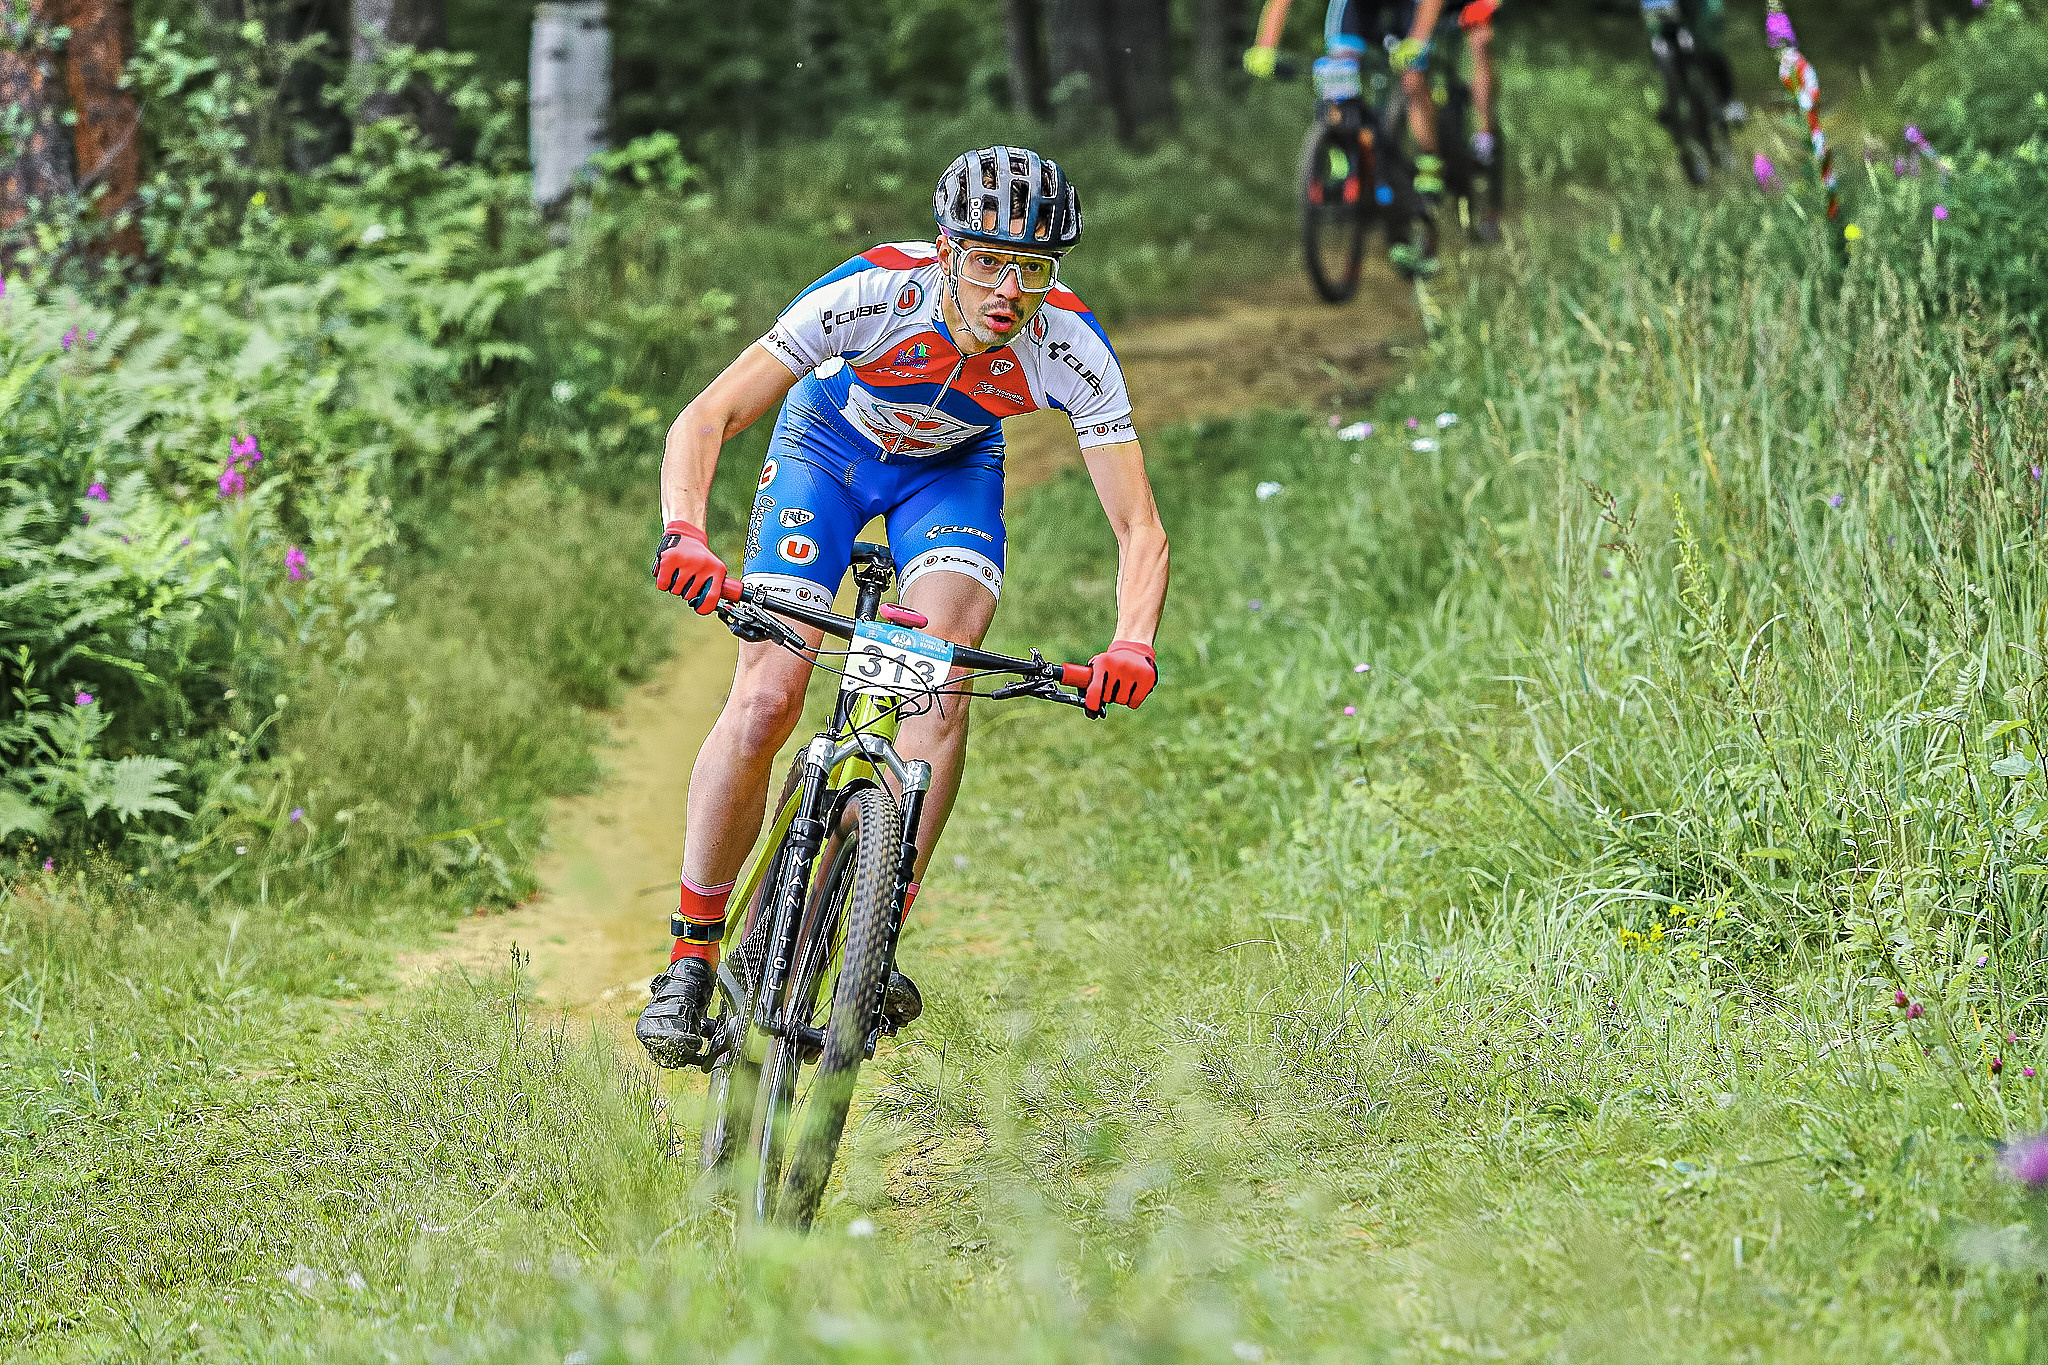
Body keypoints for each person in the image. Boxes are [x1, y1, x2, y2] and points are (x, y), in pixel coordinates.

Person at [635, 147, 1171, 1066]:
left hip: (952, 477)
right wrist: (686, 530)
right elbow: (707, 416)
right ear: (945, 250)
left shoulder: (1069, 345)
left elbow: (1138, 527)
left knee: (938, 685)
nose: (1010, 290)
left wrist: (1132, 642)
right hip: (826, 452)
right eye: (988, 261)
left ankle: (874, 936)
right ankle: (690, 958)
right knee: (768, 695)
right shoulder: (871, 293)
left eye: (1033, 268)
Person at [1246, 0, 1504, 253]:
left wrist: (1418, 39)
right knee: (1336, 79)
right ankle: (1344, 159)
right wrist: (1265, 47)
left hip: (1409, 7)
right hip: (1358, 8)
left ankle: (1430, 160)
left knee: (1413, 79)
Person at [1643, 0, 1746, 128]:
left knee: (1707, 47)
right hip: (1662, 11)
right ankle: (1674, 105)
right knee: (1663, 53)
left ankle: (1729, 102)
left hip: (1699, 9)